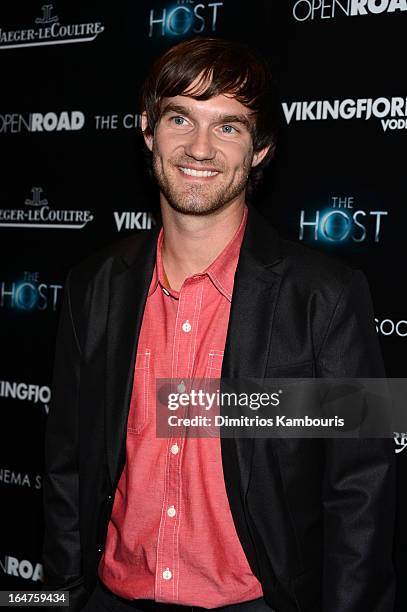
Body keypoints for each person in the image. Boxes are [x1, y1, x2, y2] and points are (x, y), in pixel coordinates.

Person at [43, 37, 395, 612]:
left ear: (260, 150)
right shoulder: (93, 286)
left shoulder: (327, 295)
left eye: (229, 127)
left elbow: (362, 492)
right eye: (181, 117)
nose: (200, 148)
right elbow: (66, 471)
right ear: (147, 130)